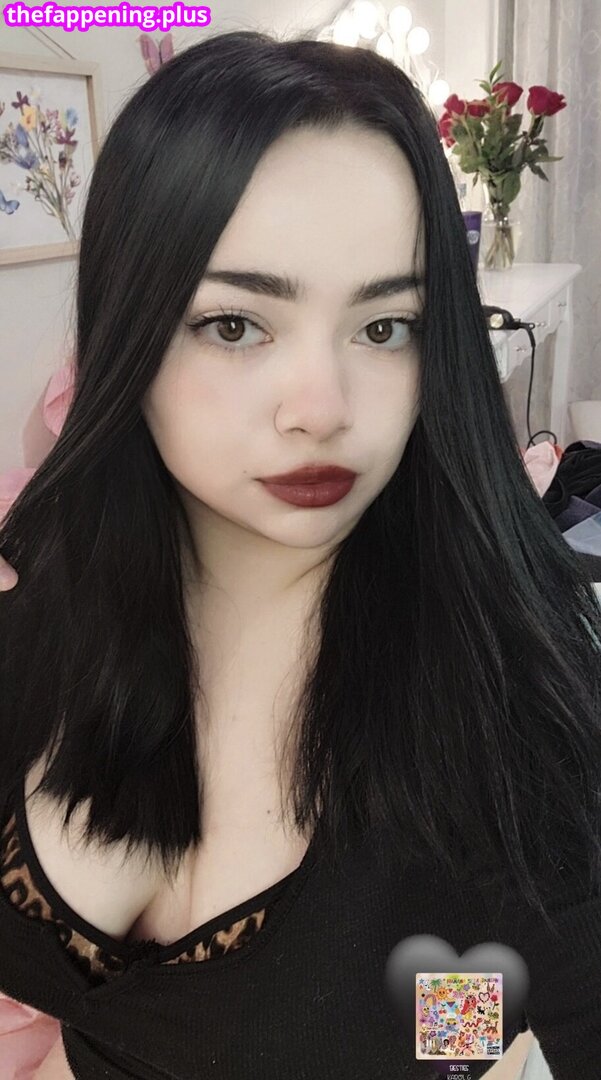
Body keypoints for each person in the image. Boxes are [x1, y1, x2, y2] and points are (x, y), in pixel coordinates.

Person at [0, 28, 600, 1080]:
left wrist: (443, 1050)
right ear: (128, 327)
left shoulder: (512, 725)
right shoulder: (37, 608)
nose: (322, 409)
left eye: (385, 327)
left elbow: (504, 1026)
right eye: (235, 326)